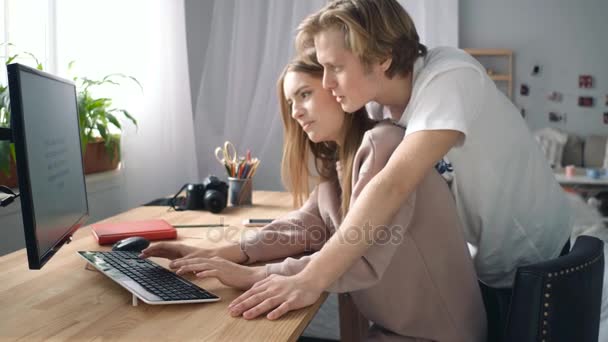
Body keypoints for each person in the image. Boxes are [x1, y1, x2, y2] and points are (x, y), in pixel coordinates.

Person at [226, 0, 579, 338]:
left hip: (537, 259)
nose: (328, 82)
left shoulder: (449, 77)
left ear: (382, 57)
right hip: (489, 264)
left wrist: (311, 279)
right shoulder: (383, 110)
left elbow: (392, 185)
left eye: (335, 67)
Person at [142, 54, 487, 341]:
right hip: (396, 330)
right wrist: (217, 254)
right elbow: (301, 226)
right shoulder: (338, 167)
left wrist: (255, 275)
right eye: (291, 103)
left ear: (336, 88)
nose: (295, 112)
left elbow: (357, 255)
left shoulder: (384, 146)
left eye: (304, 94)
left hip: (438, 335)